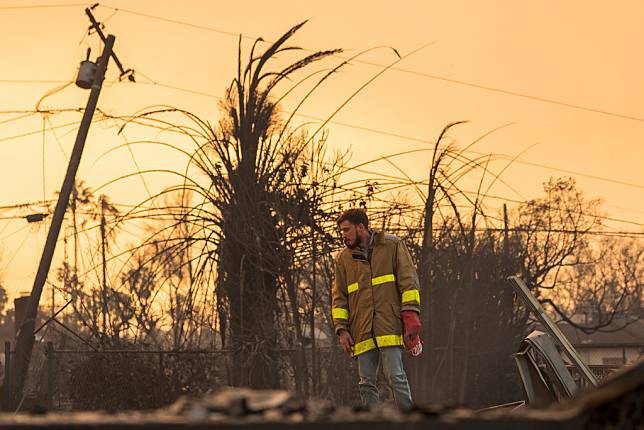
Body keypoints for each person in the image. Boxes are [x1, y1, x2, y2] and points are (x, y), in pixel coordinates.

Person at [332, 208, 422, 410]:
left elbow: (409, 283)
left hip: (389, 326)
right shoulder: (343, 260)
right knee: (366, 384)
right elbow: (339, 298)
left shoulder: (393, 246)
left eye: (347, 230)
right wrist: (342, 330)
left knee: (396, 377)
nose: (343, 235)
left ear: (361, 227)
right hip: (361, 331)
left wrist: (410, 316)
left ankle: (410, 421)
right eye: (342, 231)